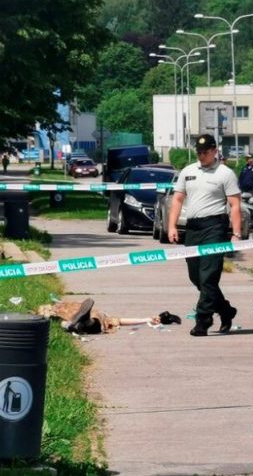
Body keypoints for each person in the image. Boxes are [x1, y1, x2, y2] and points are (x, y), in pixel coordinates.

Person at [168, 134, 242, 337]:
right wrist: (172, 226)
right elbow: (177, 199)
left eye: (205, 152)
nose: (201, 155)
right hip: (193, 228)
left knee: (208, 276)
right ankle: (226, 310)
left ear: (214, 151)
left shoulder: (225, 173)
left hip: (214, 228)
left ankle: (203, 320)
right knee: (196, 276)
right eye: (199, 152)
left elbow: (235, 205)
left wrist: (236, 233)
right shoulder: (188, 171)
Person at [36, 298, 182, 334]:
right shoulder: (102, 315)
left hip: (66, 315)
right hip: (97, 320)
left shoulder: (58, 307)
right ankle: (81, 323)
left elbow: (120, 321)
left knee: (59, 322)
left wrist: (148, 319)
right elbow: (120, 321)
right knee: (100, 323)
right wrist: (147, 319)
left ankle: (76, 324)